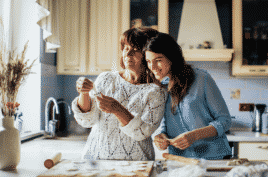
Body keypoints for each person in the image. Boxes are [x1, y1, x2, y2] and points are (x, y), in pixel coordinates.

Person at [71, 27, 167, 161]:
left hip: (136, 164)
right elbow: (87, 120)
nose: (128, 54)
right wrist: (84, 93)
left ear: (148, 54)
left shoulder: (156, 92)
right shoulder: (106, 79)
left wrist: (117, 109)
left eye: (135, 49)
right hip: (96, 159)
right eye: (126, 48)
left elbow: (142, 131)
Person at [144, 33, 232, 160]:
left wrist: (194, 136)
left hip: (214, 158)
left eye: (158, 60)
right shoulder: (160, 87)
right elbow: (166, 123)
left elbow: (225, 120)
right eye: (148, 61)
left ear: (172, 57)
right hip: (180, 160)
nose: (152, 67)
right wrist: (161, 136)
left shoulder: (202, 79)